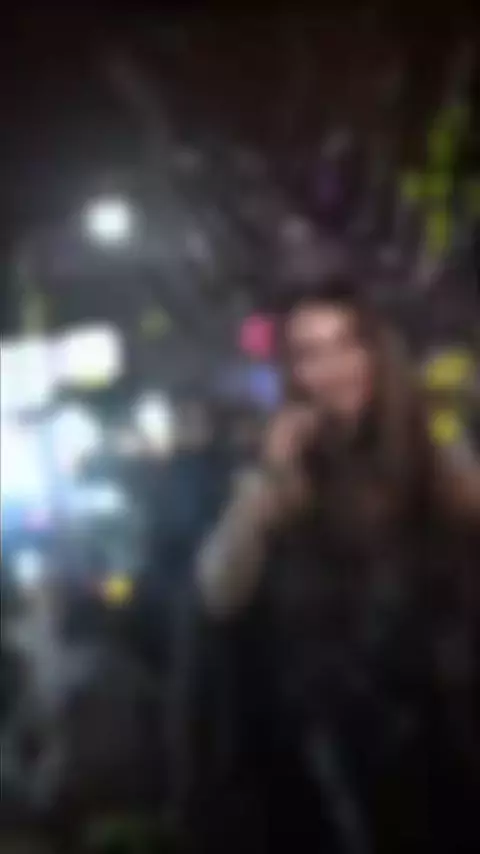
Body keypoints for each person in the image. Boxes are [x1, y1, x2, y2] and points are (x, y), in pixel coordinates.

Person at [175, 277, 480, 854]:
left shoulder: (433, 455)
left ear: (378, 351)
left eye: (348, 344)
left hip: (448, 746)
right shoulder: (282, 475)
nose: (336, 369)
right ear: (293, 372)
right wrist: (270, 478)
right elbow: (218, 592)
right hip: (334, 768)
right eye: (311, 353)